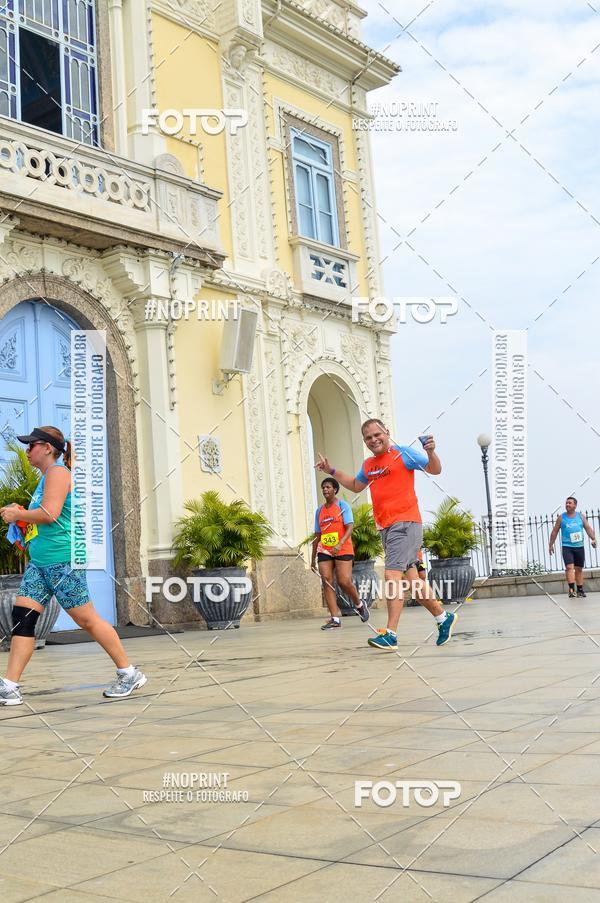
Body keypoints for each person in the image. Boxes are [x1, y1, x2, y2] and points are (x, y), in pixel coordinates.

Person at [0, 426, 147, 706]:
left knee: (87, 620)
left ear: (46, 448)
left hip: (62, 562)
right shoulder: (48, 477)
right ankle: (9, 685)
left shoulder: (58, 473)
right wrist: (23, 515)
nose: (27, 451)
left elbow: (50, 514)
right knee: (24, 618)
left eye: (31, 446)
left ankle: (129, 673)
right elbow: (46, 514)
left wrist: (18, 513)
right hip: (42, 563)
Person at [316, 419, 456, 651]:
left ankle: (390, 634)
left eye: (377, 434)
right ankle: (443, 618)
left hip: (405, 523)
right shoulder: (369, 464)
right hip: (387, 527)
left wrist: (430, 452)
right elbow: (355, 484)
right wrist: (331, 470)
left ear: (387, 432)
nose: (374, 440)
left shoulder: (402, 454)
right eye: (368, 437)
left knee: (392, 575)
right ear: (365, 441)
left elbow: (435, 469)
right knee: (412, 580)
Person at [310, 477, 369, 629]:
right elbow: (318, 535)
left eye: (328, 487)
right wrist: (312, 558)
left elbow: (350, 527)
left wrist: (340, 543)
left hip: (342, 548)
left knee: (344, 581)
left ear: (335, 489)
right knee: (327, 580)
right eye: (323, 487)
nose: (325, 490)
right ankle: (335, 618)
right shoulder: (319, 511)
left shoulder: (343, 506)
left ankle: (359, 604)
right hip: (325, 550)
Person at [549, 497, 596, 598]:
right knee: (569, 567)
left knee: (579, 569)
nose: (567, 505)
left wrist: (593, 539)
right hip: (567, 547)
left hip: (579, 546)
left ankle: (580, 590)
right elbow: (554, 532)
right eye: (566, 503)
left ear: (575, 505)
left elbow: (588, 528)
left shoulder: (581, 517)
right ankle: (571, 590)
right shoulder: (561, 518)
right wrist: (550, 545)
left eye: (570, 503)